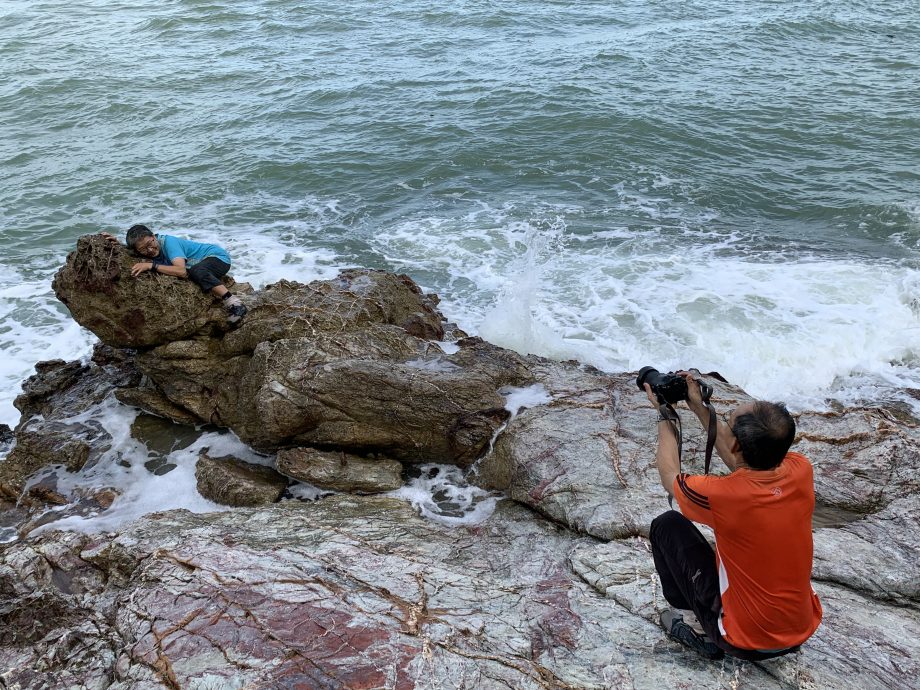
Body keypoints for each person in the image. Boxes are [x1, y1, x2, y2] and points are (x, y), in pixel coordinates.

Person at [643, 372, 822, 661]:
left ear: (738, 444)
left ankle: (697, 630)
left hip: (744, 640)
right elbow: (744, 460)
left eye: (728, 420)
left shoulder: (723, 495)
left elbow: (670, 476)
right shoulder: (801, 470)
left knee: (667, 526)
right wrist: (700, 407)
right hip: (800, 630)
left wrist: (664, 414)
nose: (724, 423)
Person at [103, 225, 247, 324]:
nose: (150, 250)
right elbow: (132, 251)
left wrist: (151, 266)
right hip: (201, 264)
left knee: (196, 271)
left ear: (153, 236)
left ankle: (234, 303)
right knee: (195, 271)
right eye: (143, 249)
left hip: (218, 257)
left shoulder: (168, 243)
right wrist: (118, 244)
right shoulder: (142, 249)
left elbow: (181, 271)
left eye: (150, 243)